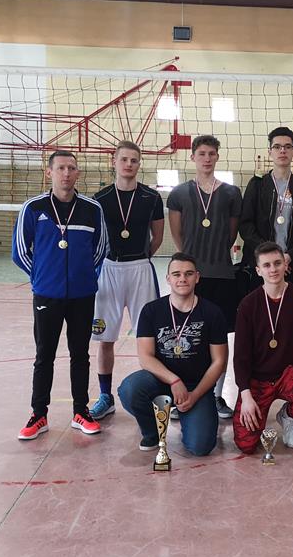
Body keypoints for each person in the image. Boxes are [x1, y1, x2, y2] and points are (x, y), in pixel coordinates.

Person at [12, 150, 107, 440]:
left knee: (80, 354)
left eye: (72, 168)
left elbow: (101, 249)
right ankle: (38, 414)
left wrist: (83, 276)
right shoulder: (33, 208)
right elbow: (20, 251)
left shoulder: (92, 209)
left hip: (82, 295)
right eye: (61, 168)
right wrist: (42, 278)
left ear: (78, 174)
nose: (66, 173)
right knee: (44, 356)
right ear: (49, 172)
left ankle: (81, 411)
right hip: (47, 295)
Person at [117, 253, 227, 455]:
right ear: (168, 278)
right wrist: (174, 380)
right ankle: (153, 431)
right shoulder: (151, 310)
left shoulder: (213, 313)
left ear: (197, 277)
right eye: (176, 274)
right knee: (130, 389)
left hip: (196, 385)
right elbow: (145, 357)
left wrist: (194, 395)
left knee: (200, 447)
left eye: (188, 274)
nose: (182, 279)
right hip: (161, 381)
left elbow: (219, 361)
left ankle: (191, 415)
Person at [167, 135, 243, 419]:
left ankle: (216, 396)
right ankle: (183, 394)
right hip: (190, 277)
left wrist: (214, 255)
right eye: (202, 153)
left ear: (217, 157)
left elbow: (231, 234)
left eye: (212, 153)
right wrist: (190, 263)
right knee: (186, 336)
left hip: (221, 274)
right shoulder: (179, 193)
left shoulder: (231, 193)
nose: (207, 158)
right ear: (193, 157)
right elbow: (177, 235)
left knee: (218, 338)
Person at [89, 141, 165, 419]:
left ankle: (155, 394)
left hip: (140, 269)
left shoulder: (151, 197)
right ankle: (105, 396)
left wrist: (140, 258)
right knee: (105, 337)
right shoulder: (100, 198)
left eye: (134, 160)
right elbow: (95, 238)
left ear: (139, 164)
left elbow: (157, 236)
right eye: (124, 159)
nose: (129, 164)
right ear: (114, 161)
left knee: (149, 338)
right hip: (109, 269)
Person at [232, 242, 293, 453]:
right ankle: (259, 416)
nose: (273, 269)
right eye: (266, 265)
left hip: (288, 375)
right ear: (258, 270)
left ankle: (287, 416)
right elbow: (240, 357)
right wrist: (245, 395)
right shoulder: (248, 305)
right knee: (246, 444)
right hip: (257, 380)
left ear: (286, 265)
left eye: (277, 263)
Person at [239, 126, 293, 290]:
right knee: (258, 306)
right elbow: (246, 225)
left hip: (291, 266)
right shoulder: (257, 185)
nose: (282, 151)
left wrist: (289, 256)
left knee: (291, 307)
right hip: (261, 266)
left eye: (287, 147)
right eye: (277, 147)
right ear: (270, 152)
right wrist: (269, 256)